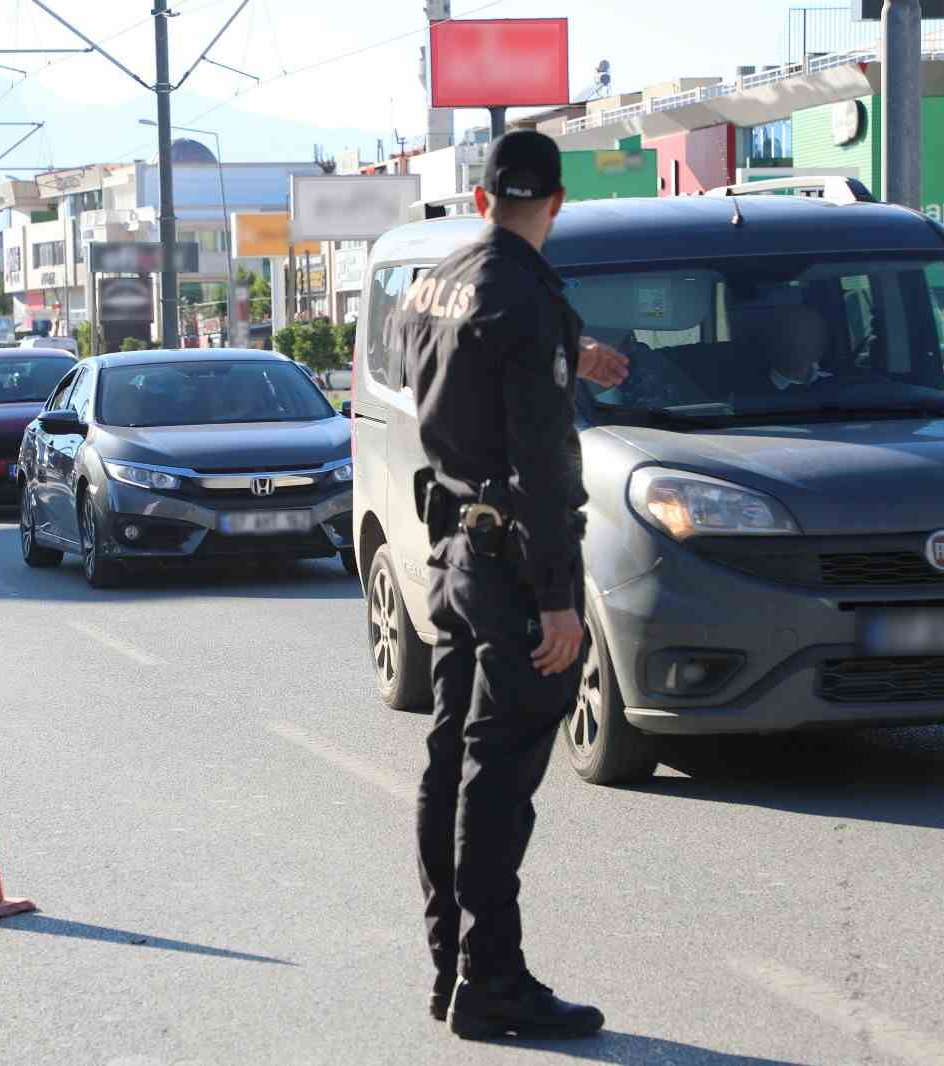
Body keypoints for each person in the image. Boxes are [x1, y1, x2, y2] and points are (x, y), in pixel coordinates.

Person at [396, 129, 629, 1042]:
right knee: (498, 775)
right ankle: (492, 980)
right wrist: (560, 597)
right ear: (557, 202)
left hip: (453, 547)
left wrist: (576, 349)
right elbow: (540, 460)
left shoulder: (435, 281)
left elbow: (470, 377)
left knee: (452, 755)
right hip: (513, 564)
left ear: (483, 197)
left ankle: (450, 967)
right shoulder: (528, 301)